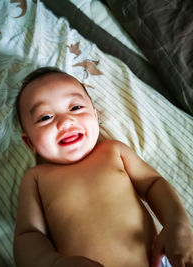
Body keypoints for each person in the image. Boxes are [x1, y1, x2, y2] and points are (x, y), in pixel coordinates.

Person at [13, 67, 193, 267]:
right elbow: (28, 235)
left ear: (95, 116)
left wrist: (177, 223)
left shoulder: (113, 151)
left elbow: (153, 183)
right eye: (45, 117)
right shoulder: (36, 178)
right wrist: (52, 262)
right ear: (30, 143)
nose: (66, 121)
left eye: (75, 108)